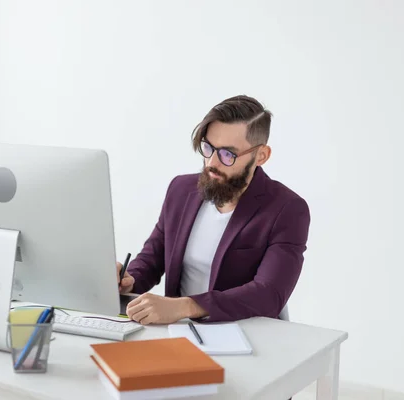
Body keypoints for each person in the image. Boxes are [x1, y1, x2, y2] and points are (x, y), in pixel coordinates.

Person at [118, 95, 310, 325]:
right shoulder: (180, 189)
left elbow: (268, 294)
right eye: (208, 147)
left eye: (228, 154)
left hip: (249, 336)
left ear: (261, 156)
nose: (211, 163)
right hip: (178, 332)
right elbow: (152, 258)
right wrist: (130, 281)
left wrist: (185, 306)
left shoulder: (287, 209)